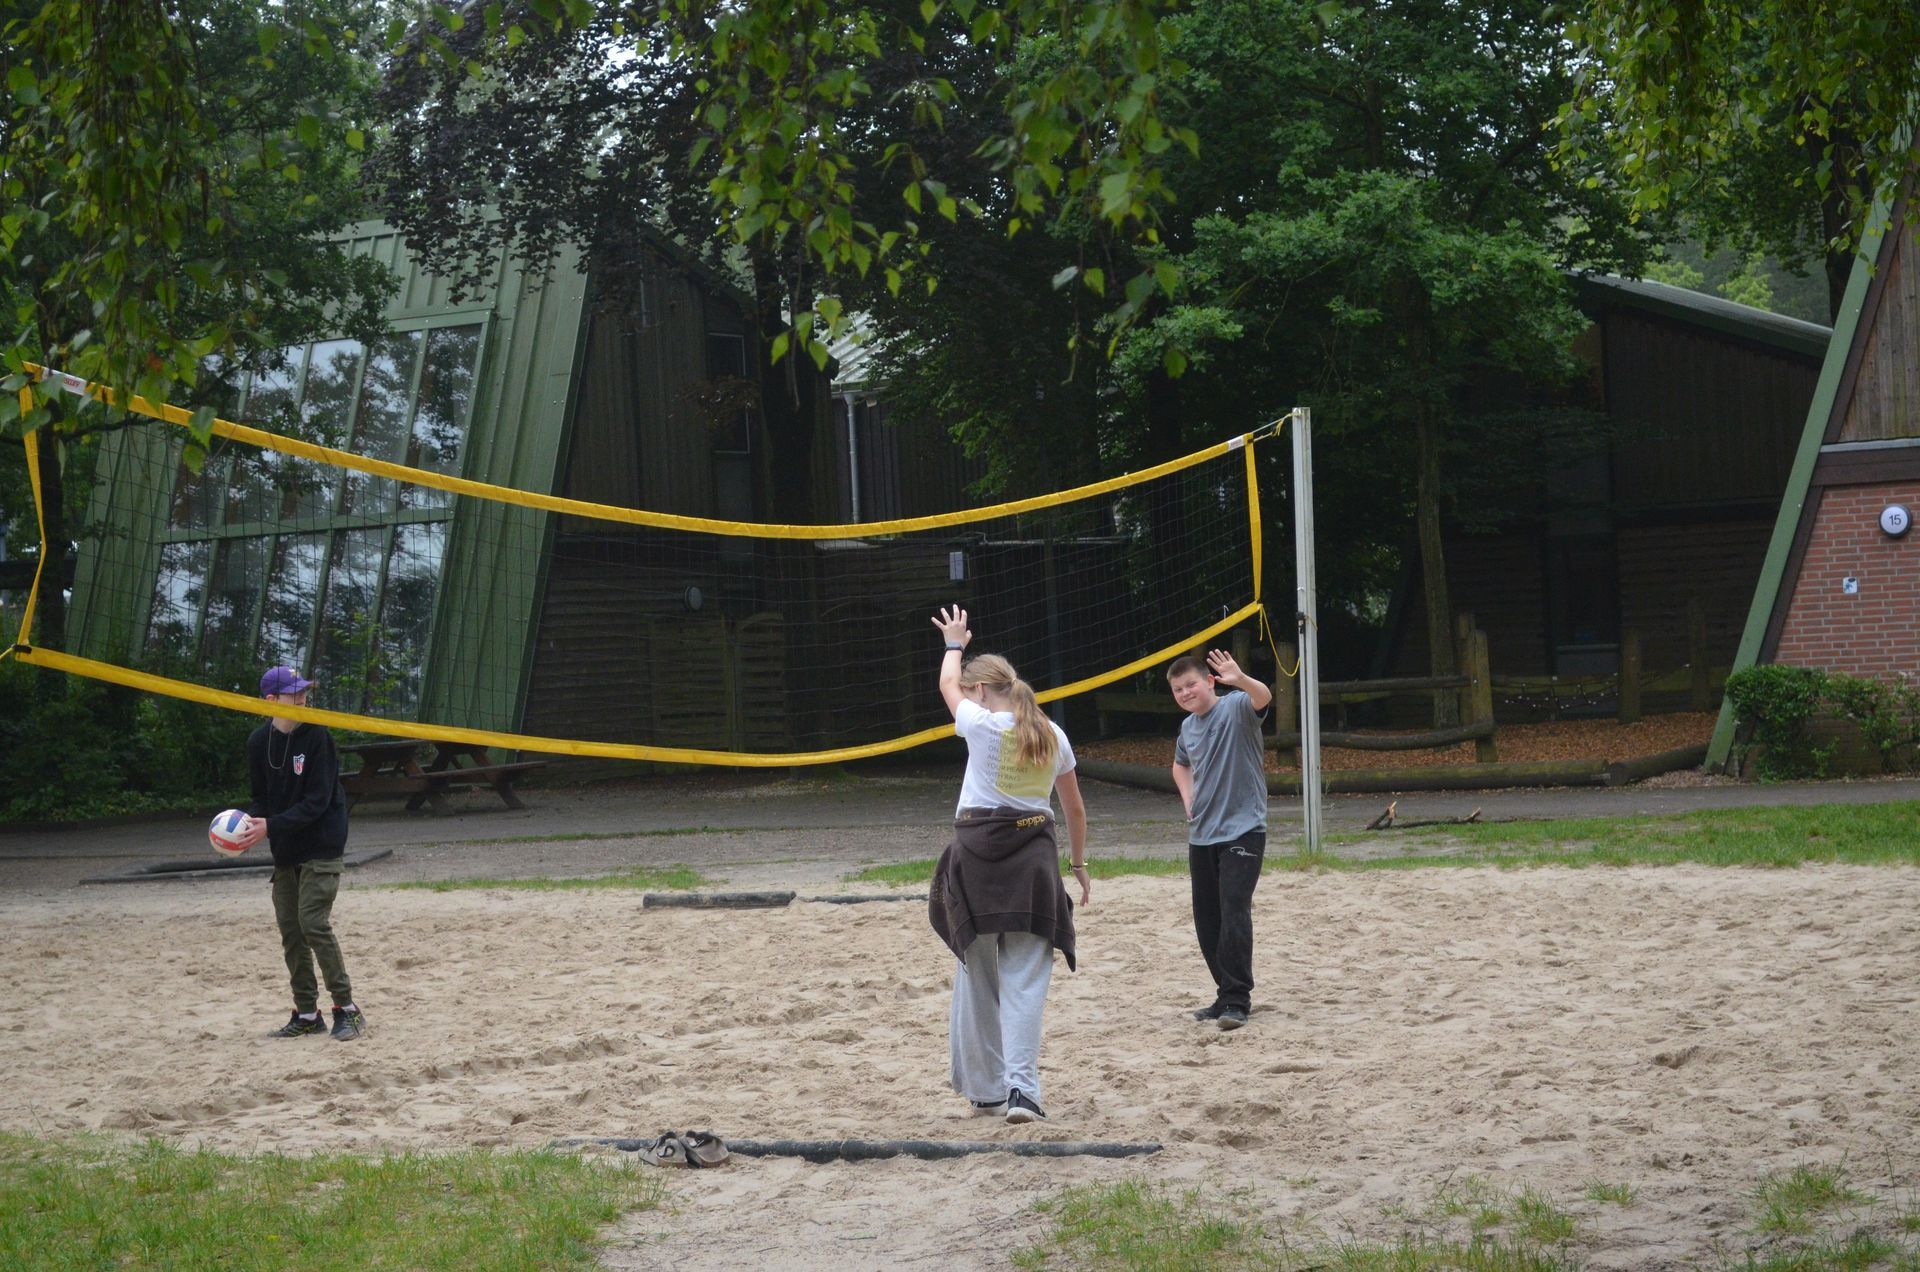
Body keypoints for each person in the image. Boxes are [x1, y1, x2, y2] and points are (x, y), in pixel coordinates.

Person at [926, 606, 1089, 1125]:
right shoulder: (1053, 733)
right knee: (1025, 981)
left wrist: (954, 643)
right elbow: (1074, 809)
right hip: (1032, 861)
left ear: (980, 691)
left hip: (975, 859)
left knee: (977, 976)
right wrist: (1078, 862)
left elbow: (946, 682)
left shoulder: (979, 723)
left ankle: (987, 1092)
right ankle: (1023, 1092)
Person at [230, 666, 367, 1042]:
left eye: (305, 691)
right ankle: (307, 1014)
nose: (304, 698)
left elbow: (318, 801)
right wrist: (248, 826)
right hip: (287, 847)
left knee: (313, 923)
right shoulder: (259, 742)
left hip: (322, 841)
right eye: (295, 693)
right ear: (271, 701)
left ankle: (348, 1010)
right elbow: (261, 798)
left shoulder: (318, 736)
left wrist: (270, 825)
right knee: (291, 930)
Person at [1167, 648, 1272, 1031]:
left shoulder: (1236, 707)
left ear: (1210, 682)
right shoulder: (1188, 728)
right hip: (1203, 834)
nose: (1185, 693)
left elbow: (1264, 697)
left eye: (1190, 684)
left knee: (1234, 909)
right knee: (1207, 919)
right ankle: (1225, 992)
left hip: (1243, 828)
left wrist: (1240, 678)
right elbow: (1180, 764)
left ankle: (1237, 1000)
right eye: (1178, 689)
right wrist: (1188, 795)